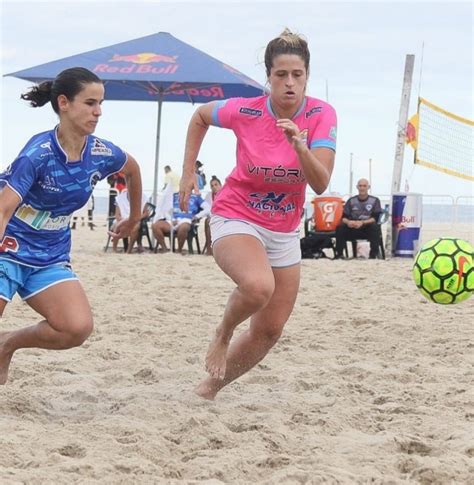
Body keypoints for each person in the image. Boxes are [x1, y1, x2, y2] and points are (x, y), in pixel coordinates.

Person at [179, 29, 337, 400]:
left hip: (283, 230)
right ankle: (223, 332)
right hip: (236, 216)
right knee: (257, 287)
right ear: (268, 76)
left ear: (307, 76)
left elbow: (320, 183)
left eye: (297, 75)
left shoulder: (321, 115)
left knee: (269, 330)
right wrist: (189, 171)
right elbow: (200, 117)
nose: (289, 83)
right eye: (281, 74)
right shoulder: (246, 110)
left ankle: (208, 389)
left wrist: (300, 145)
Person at [0, 67, 143, 384]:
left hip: (49, 253)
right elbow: (3, 209)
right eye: (90, 103)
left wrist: (133, 218)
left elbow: (132, 169)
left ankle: (6, 343)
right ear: (64, 103)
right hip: (7, 246)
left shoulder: (101, 152)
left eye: (101, 103)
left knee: (75, 328)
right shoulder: (38, 154)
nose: (98, 111)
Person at [334, 178, 382, 259]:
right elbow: (343, 218)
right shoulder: (351, 201)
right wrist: (349, 222)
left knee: (375, 227)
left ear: (368, 187)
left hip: (367, 227)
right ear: (357, 187)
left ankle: (373, 254)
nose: (362, 188)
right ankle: (339, 254)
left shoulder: (375, 200)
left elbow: (375, 218)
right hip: (353, 228)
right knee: (340, 227)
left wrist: (362, 223)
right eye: (360, 186)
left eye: (364, 186)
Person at [201, 175, 222, 255]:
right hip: (213, 217)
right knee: (208, 221)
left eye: (216, 185)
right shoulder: (208, 196)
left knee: (209, 221)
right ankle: (210, 249)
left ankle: (210, 249)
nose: (214, 187)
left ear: (221, 185)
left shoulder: (225, 193)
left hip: (224, 217)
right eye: (212, 186)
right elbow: (207, 209)